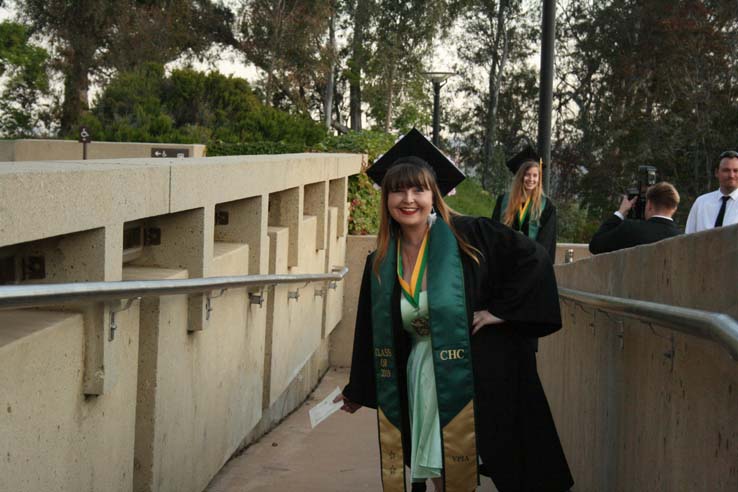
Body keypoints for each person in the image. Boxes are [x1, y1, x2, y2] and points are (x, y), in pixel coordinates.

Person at [335, 128, 573, 492]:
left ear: (434, 195)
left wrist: (501, 311)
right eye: (398, 190)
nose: (408, 199)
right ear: (386, 199)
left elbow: (534, 258)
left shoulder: (469, 237)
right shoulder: (381, 261)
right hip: (420, 375)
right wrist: (358, 388)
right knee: (440, 473)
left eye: (419, 189)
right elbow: (372, 327)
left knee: (456, 469)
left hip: (468, 374)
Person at [491, 147, 557, 260]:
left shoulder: (546, 206)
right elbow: (494, 231)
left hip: (532, 263)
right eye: (527, 174)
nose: (531, 179)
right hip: (505, 261)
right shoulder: (503, 200)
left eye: (535, 175)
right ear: (520, 176)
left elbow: (546, 240)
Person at [588, 182, 682, 254]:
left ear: (649, 205)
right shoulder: (681, 238)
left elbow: (595, 245)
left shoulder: (631, 229)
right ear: (674, 208)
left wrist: (620, 213)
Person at [685, 150, 738, 233]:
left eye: (736, 171)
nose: (731, 175)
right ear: (717, 172)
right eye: (726, 170)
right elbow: (688, 239)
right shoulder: (701, 203)